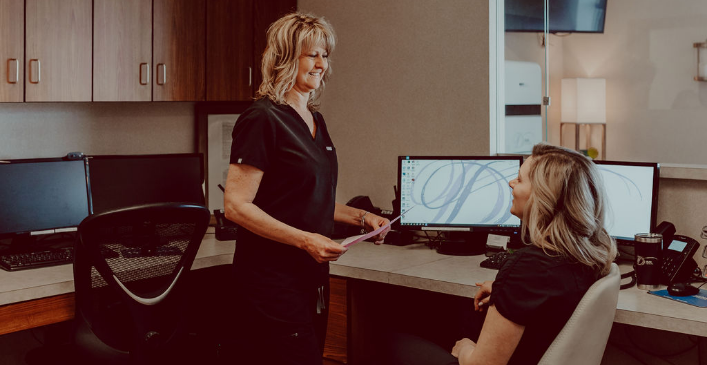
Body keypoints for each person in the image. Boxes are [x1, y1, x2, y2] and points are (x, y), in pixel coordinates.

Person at [223, 12, 390, 364]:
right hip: (270, 281)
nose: (321, 64)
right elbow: (236, 206)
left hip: (310, 277)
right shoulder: (261, 119)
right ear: (284, 57)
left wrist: (364, 217)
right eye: (311, 54)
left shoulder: (315, 118)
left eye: (325, 55)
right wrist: (305, 239)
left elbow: (309, 200)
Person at [385, 143, 617, 365]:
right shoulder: (589, 255)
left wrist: (464, 348)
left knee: (387, 339)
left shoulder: (528, 266)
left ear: (543, 196)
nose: (510, 183)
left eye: (520, 179)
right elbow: (552, 302)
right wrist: (508, 290)